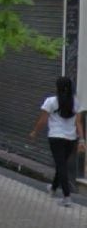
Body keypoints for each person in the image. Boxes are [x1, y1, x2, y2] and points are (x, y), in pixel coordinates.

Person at [29, 76, 84, 207]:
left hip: (55, 137)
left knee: (61, 165)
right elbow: (79, 123)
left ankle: (67, 196)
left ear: (57, 87)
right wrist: (82, 140)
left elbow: (42, 120)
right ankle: (53, 188)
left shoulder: (51, 101)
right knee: (62, 164)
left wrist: (35, 132)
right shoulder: (76, 103)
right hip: (71, 138)